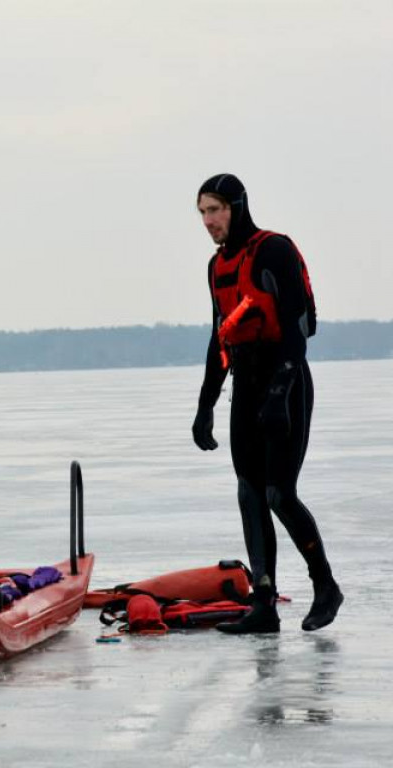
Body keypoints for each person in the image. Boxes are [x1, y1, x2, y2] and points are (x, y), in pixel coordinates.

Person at [191, 173, 342, 634]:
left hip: (286, 384)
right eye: (201, 213)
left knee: (279, 492)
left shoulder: (274, 250)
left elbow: (298, 331)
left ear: (236, 206)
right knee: (249, 493)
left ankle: (325, 587)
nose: (208, 221)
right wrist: (206, 404)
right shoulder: (218, 267)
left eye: (214, 210)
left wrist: (280, 394)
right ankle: (265, 604)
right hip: (247, 385)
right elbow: (220, 337)